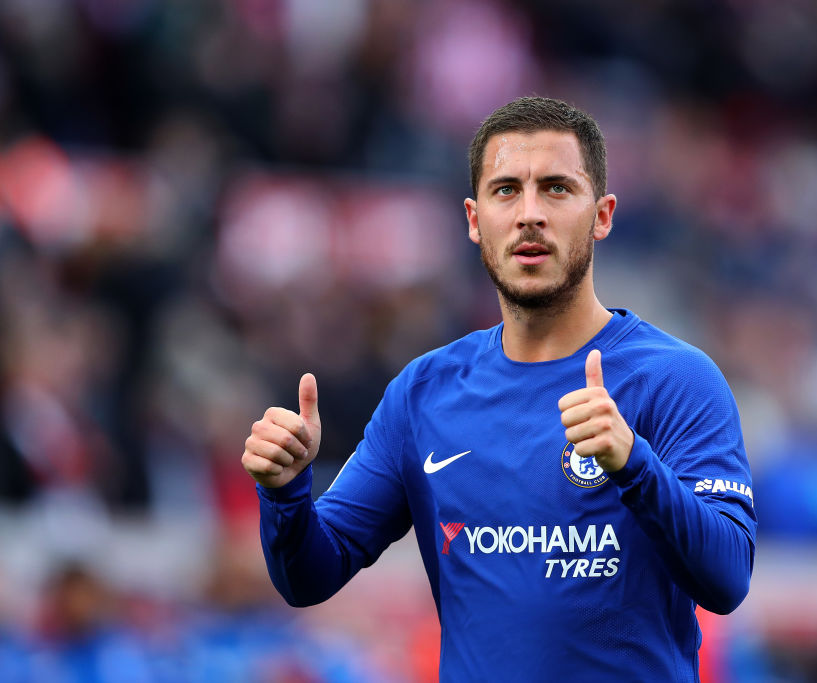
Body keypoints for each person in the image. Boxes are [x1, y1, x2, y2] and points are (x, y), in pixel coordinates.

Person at [242, 96, 756, 681]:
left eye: (557, 188)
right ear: (473, 218)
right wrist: (285, 493)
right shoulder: (422, 394)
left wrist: (634, 463)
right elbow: (309, 577)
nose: (529, 214)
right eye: (506, 190)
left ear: (602, 215)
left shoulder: (676, 379)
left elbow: (727, 579)